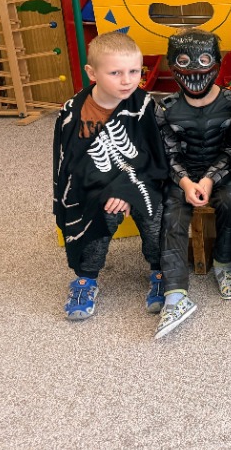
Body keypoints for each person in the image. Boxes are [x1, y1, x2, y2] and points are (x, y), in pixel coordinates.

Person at [53, 31, 167, 321]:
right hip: (94, 183)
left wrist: (126, 189)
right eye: (115, 73)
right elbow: (71, 164)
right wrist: (110, 191)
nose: (127, 80)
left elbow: (155, 154)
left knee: (153, 210)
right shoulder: (72, 113)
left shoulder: (145, 105)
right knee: (96, 212)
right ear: (92, 73)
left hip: (141, 177)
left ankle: (160, 270)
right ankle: (86, 277)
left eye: (134, 71)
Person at [153, 29, 231, 339]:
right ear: (170, 64)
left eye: (204, 60)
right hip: (181, 175)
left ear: (217, 62)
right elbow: (167, 153)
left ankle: (223, 263)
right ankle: (175, 294)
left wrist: (208, 178)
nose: (194, 70)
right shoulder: (165, 108)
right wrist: (186, 182)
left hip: (221, 172)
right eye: (183, 61)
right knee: (171, 215)